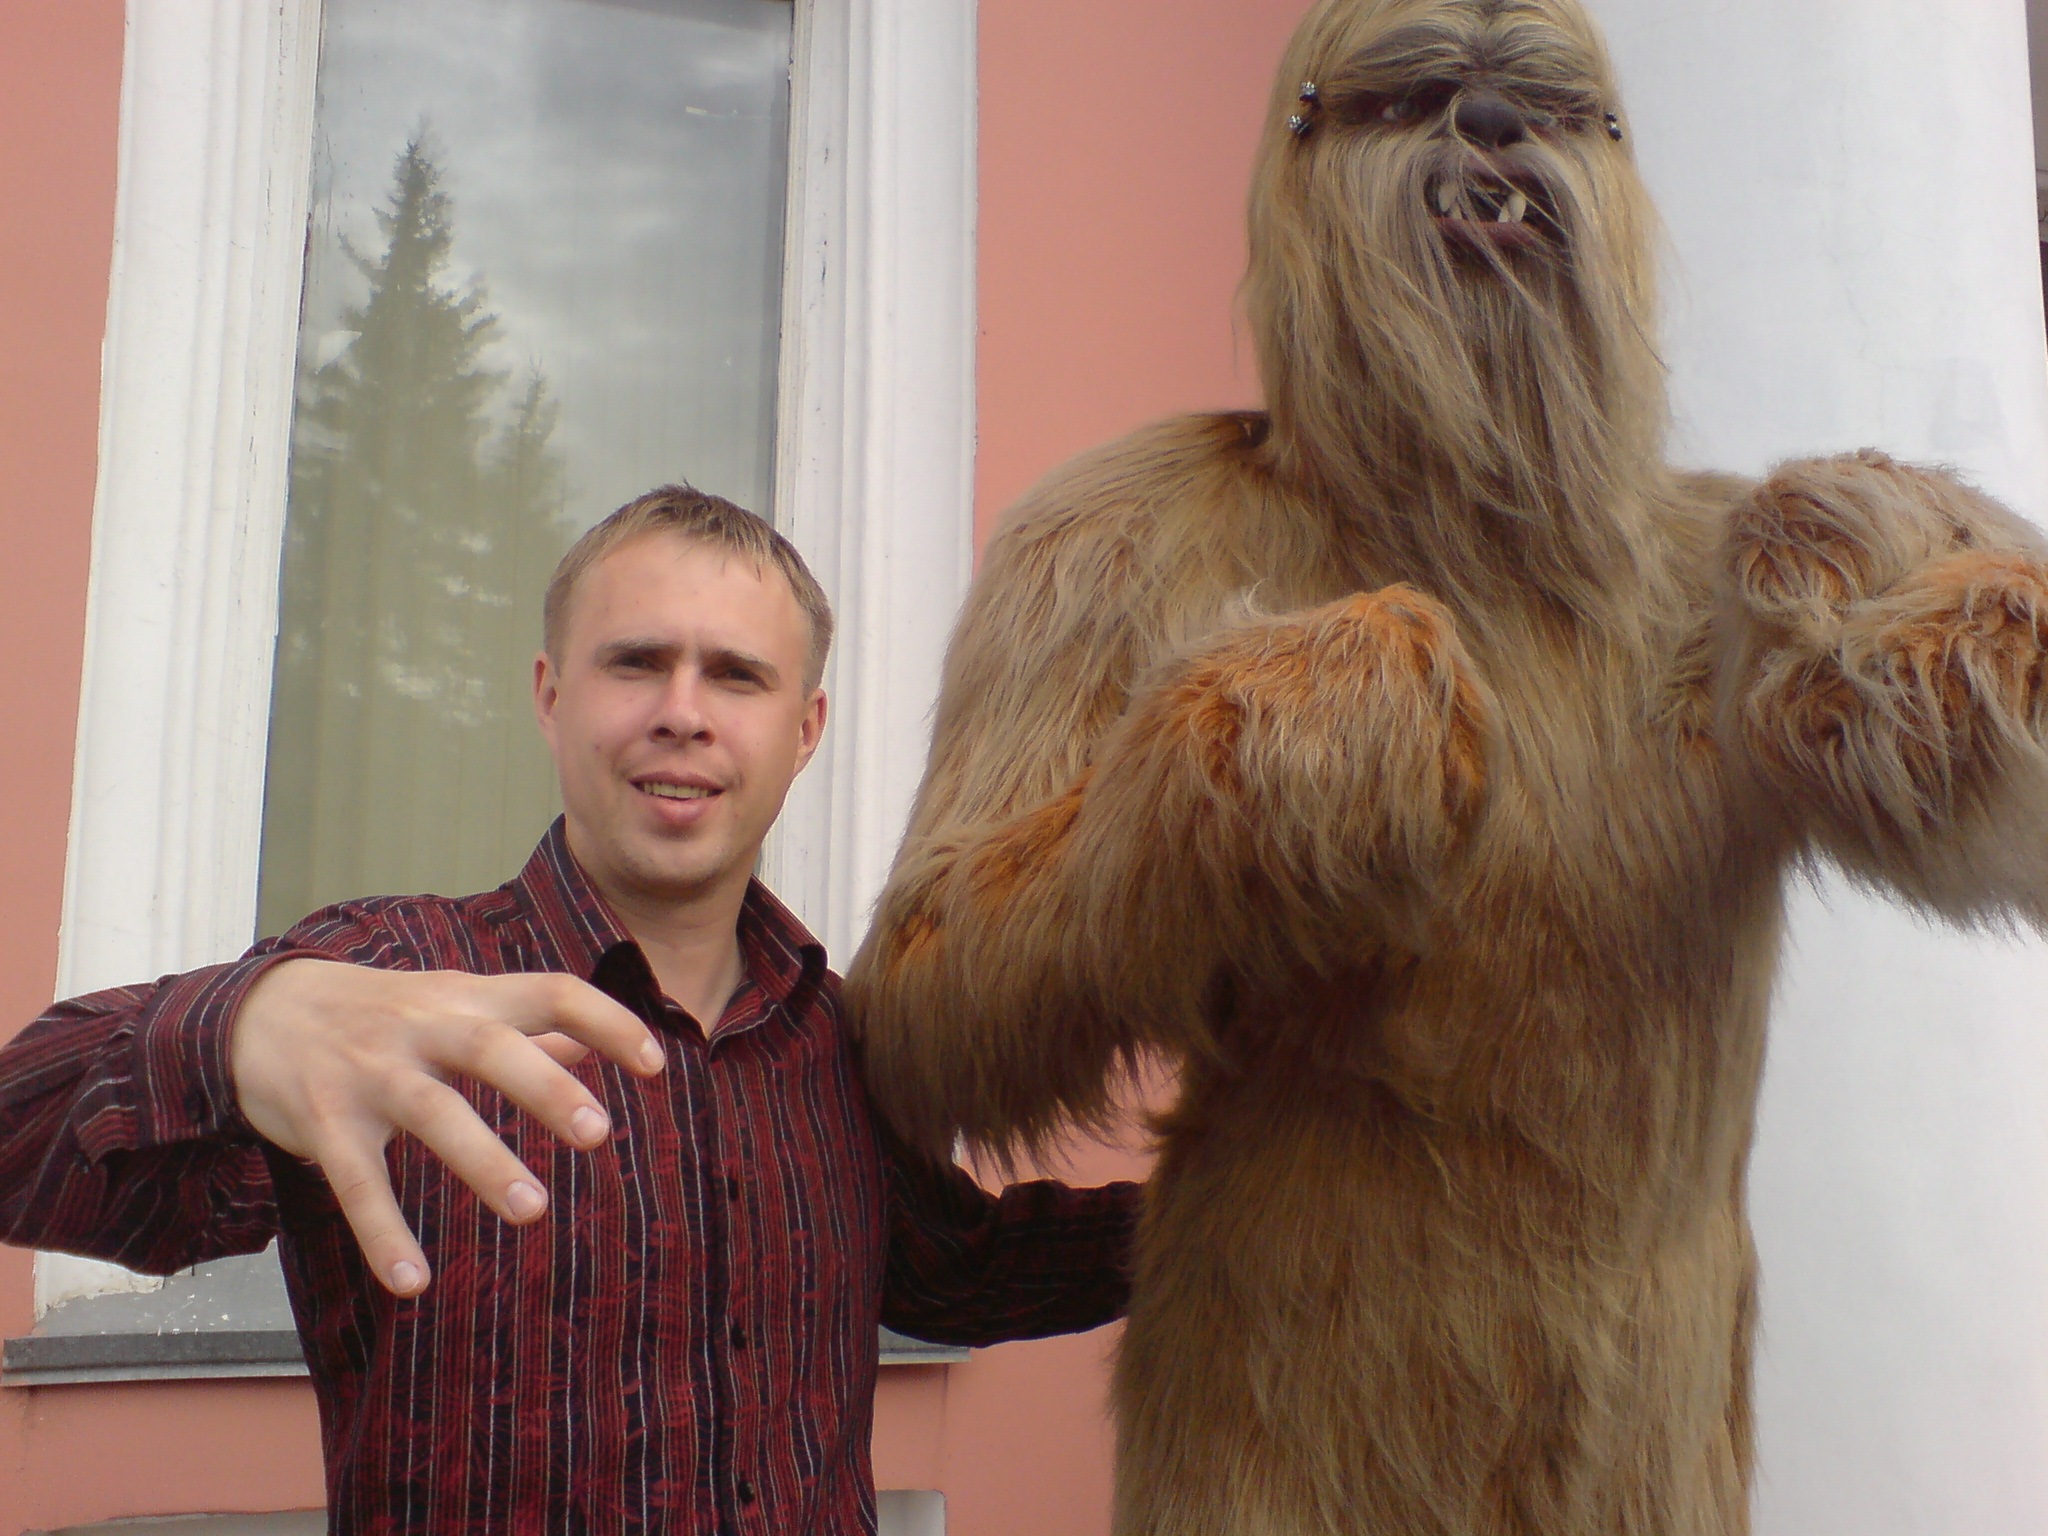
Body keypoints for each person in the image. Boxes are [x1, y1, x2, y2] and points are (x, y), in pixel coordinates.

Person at [0, 486, 1139, 1534]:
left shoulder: (845, 1038)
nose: (682, 713)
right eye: (636, 663)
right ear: (552, 696)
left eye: (736, 676)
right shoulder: (391, 987)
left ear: (806, 729)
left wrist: (1218, 1208)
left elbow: (951, 1269)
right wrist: (242, 1026)